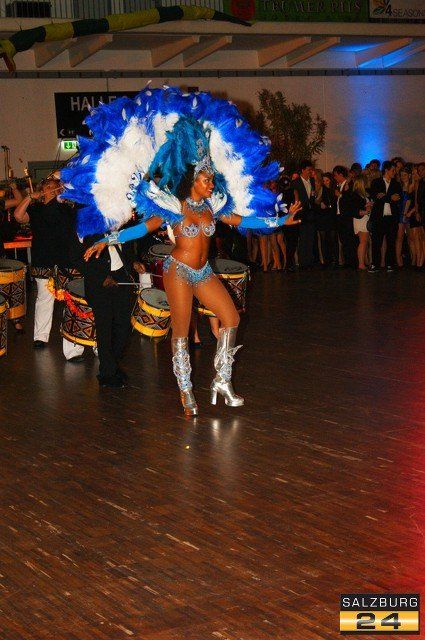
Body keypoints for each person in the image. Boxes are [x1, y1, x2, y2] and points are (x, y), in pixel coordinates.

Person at [59, 87, 302, 416]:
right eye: (206, 180)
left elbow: (245, 220)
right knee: (182, 330)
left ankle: (222, 381)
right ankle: (186, 392)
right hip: (179, 272)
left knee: (231, 318)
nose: (211, 184)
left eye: (212, 179)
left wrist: (281, 220)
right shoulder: (173, 207)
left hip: (203, 272)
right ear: (192, 180)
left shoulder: (214, 206)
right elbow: (142, 229)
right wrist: (108, 239)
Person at [13, 177, 87, 357]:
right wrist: (30, 197)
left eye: (54, 186)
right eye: (47, 185)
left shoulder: (67, 209)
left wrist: (66, 195)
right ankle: (40, 337)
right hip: (44, 260)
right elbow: (18, 216)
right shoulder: (36, 209)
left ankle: (74, 346)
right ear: (42, 190)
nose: (50, 187)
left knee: (72, 301)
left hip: (66, 261)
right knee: (44, 299)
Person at [368, 161, 402, 273]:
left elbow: (398, 198)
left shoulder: (396, 184)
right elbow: (376, 197)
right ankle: (375, 264)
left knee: (391, 242)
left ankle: (389, 264)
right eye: (393, 170)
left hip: (392, 217)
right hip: (379, 217)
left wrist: (385, 197)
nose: (395, 172)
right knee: (376, 242)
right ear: (386, 170)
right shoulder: (376, 182)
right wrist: (390, 198)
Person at [343, 175, 372, 270]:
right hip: (361, 219)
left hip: (364, 219)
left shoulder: (363, 194)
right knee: (363, 242)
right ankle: (361, 263)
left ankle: (364, 261)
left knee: (365, 241)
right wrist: (366, 210)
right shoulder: (355, 195)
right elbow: (355, 210)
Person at [292, 160, 316, 269]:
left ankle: (310, 261)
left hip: (311, 212)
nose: (310, 172)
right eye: (308, 170)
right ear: (302, 170)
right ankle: (302, 262)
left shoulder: (312, 181)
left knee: (311, 237)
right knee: (303, 238)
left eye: (311, 170)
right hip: (301, 213)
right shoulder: (296, 183)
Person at [313, 169, 338, 267]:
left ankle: (335, 259)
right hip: (322, 217)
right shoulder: (321, 190)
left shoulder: (334, 190)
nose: (325, 182)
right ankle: (326, 260)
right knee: (323, 239)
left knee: (333, 238)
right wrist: (320, 205)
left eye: (327, 180)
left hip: (331, 217)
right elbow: (316, 205)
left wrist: (326, 206)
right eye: (324, 181)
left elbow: (335, 205)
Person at [333, 165, 356, 268]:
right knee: (343, 239)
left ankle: (351, 262)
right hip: (340, 216)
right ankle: (347, 261)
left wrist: (340, 196)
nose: (334, 177)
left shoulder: (349, 185)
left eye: (335, 175)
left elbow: (351, 200)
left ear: (341, 174)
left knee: (348, 239)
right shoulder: (339, 185)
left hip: (347, 217)